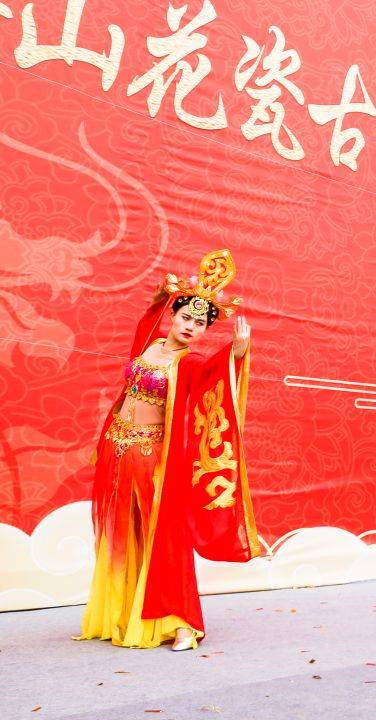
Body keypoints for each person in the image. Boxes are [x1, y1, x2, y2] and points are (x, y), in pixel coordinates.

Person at [78, 250, 260, 650]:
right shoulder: (150, 344)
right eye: (186, 317)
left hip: (155, 458)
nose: (191, 326)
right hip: (119, 451)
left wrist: (237, 351)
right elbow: (147, 318)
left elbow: (216, 372)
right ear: (173, 317)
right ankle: (124, 613)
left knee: (166, 538)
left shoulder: (189, 364)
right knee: (125, 535)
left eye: (200, 323)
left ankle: (182, 623)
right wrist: (162, 295)